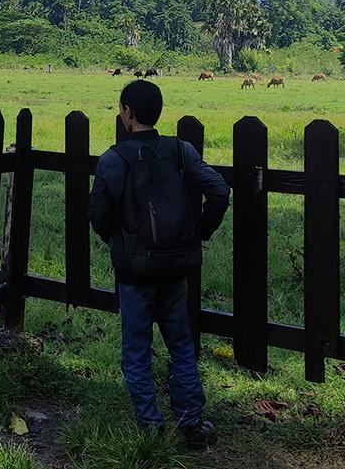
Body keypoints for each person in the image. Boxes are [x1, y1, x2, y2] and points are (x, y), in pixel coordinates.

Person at [89, 80, 230, 450]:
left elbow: (99, 216)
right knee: (181, 345)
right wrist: (200, 231)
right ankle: (193, 425)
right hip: (176, 267)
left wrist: (121, 243)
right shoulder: (180, 151)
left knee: (136, 350)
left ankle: (150, 427)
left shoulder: (112, 159)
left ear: (127, 113)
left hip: (134, 272)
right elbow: (218, 189)